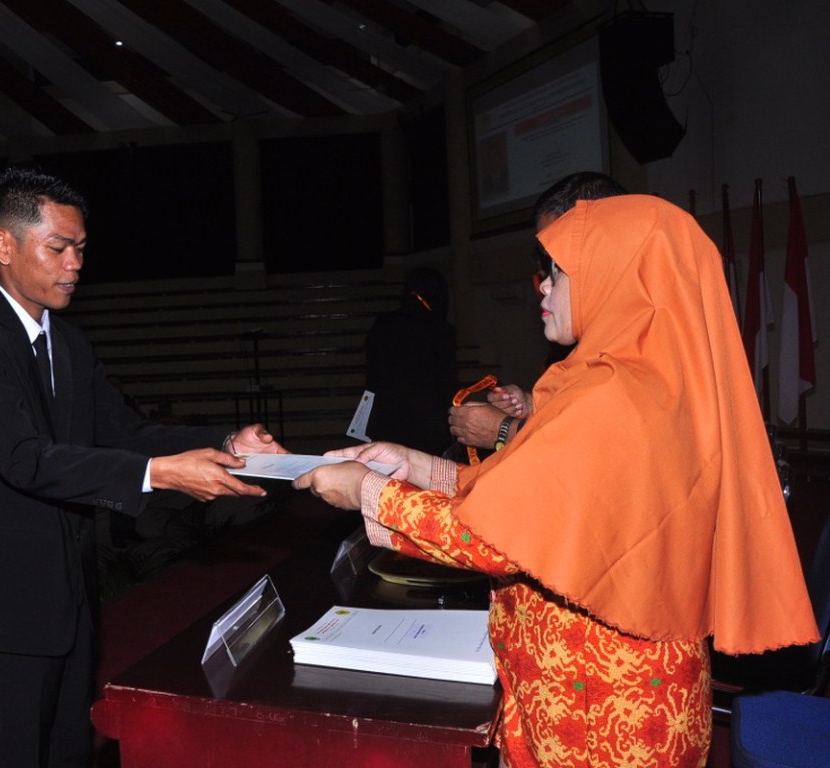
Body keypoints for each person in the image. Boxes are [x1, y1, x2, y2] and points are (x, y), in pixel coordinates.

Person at [294, 195, 818, 767]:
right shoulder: (639, 383)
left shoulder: (612, 397)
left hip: (599, 716)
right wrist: (418, 467)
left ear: (614, 277)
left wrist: (365, 490)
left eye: (559, 272)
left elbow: (499, 536)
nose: (542, 286)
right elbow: (533, 497)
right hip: (611, 695)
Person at [0, 165, 286, 768]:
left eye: (81, 248)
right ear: (4, 246)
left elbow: (125, 430)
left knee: (72, 752)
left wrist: (227, 439)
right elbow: (24, 459)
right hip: (7, 606)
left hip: (73, 600)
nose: (75, 264)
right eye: (58, 248)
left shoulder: (69, 343)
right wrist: (161, 473)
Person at [448, 172, 627, 452]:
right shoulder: (592, 341)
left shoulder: (645, 336)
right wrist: (533, 405)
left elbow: (604, 451)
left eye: (559, 264)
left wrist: (504, 430)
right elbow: (581, 413)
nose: (544, 284)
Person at [364, 266, 458, 454]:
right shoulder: (440, 329)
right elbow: (447, 381)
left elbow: (372, 374)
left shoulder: (384, 323)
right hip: (428, 422)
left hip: (388, 417)